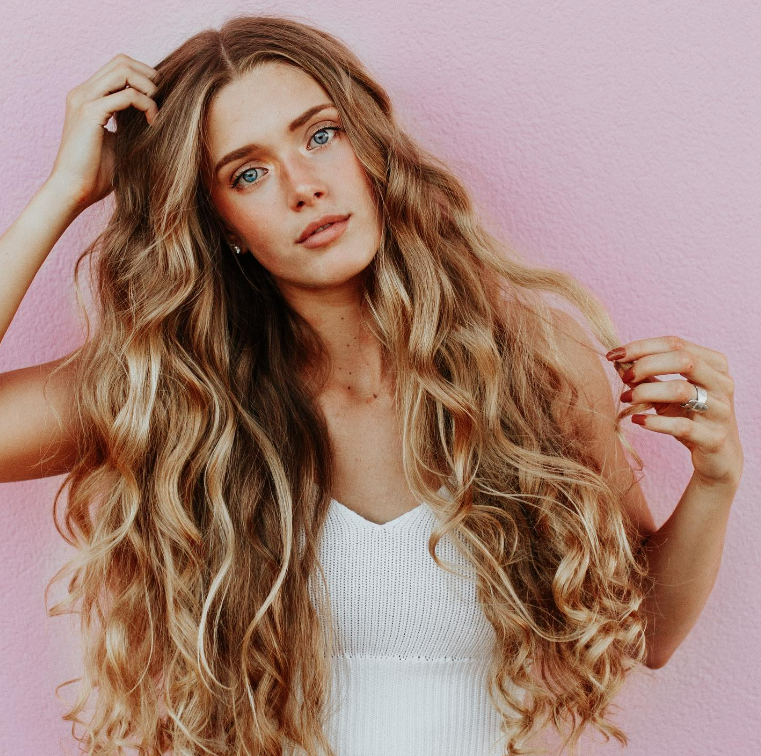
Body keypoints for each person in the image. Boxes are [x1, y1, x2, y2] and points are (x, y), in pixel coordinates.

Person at [0, 14, 742, 756]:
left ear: (370, 147)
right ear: (221, 224)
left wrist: (714, 480)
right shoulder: (176, 396)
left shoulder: (529, 366)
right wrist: (64, 192)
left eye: (321, 135)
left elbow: (644, 630)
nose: (304, 187)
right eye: (247, 173)